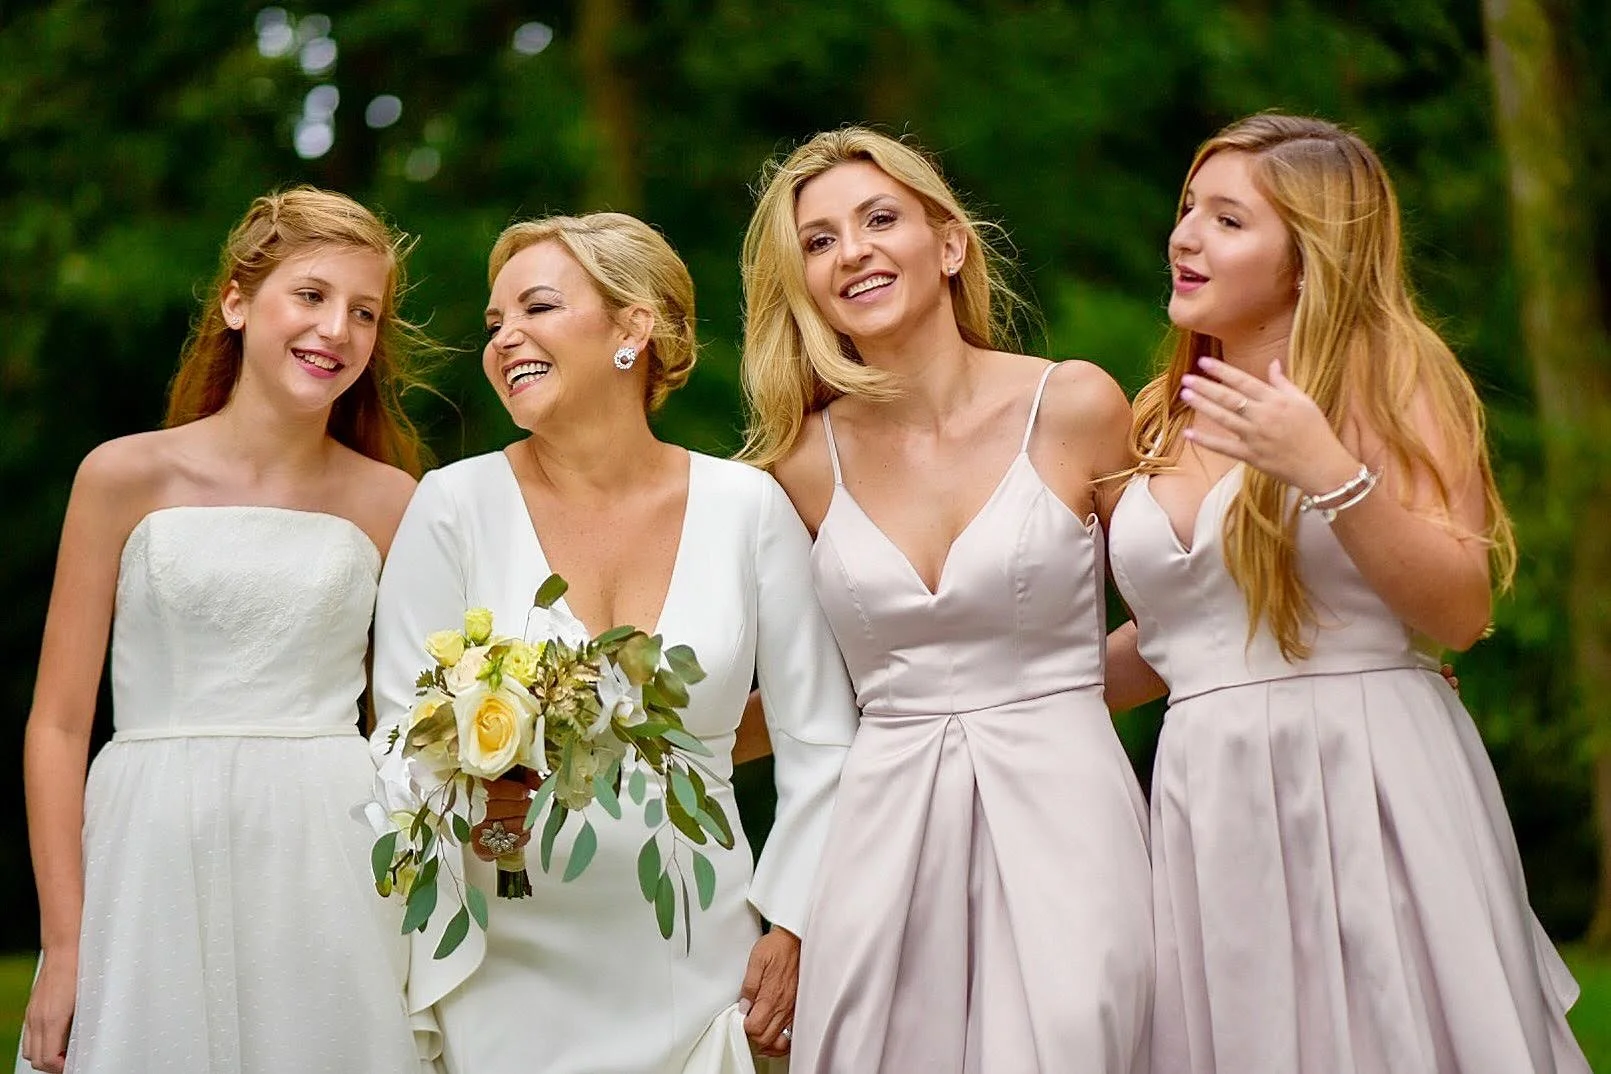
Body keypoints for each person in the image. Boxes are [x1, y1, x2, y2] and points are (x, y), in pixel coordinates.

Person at [1106, 113, 1590, 1073]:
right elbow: (1173, 643)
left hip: (1366, 773)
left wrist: (1325, 468)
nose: (1185, 236)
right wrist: (985, 692)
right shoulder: (1158, 413)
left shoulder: (1397, 378)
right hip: (1208, 789)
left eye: (1227, 220)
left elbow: (1458, 609)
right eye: (1185, 208)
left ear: (1306, 256)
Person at [370, 211, 859, 1074]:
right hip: (497, 968)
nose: (504, 338)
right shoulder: (452, 506)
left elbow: (820, 737)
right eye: (494, 324)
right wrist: (485, 803)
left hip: (697, 970)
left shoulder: (746, 508)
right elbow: (399, 745)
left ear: (634, 325)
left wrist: (792, 920)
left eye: (537, 308)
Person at [739, 127, 1153, 1073]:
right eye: (818, 240)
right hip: (876, 835)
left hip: (1070, 816)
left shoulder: (1076, 406)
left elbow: (1181, 622)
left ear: (951, 243)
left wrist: (1042, 700)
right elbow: (795, 705)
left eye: (879, 219)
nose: (853, 251)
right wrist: (616, 746)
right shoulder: (794, 469)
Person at [19, 187, 430, 1073]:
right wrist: (63, 943)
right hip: (149, 844)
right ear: (238, 303)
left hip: (329, 850)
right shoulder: (123, 478)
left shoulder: (393, 501)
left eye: (365, 312)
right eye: (312, 296)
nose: (338, 330)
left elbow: (407, 725)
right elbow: (56, 725)